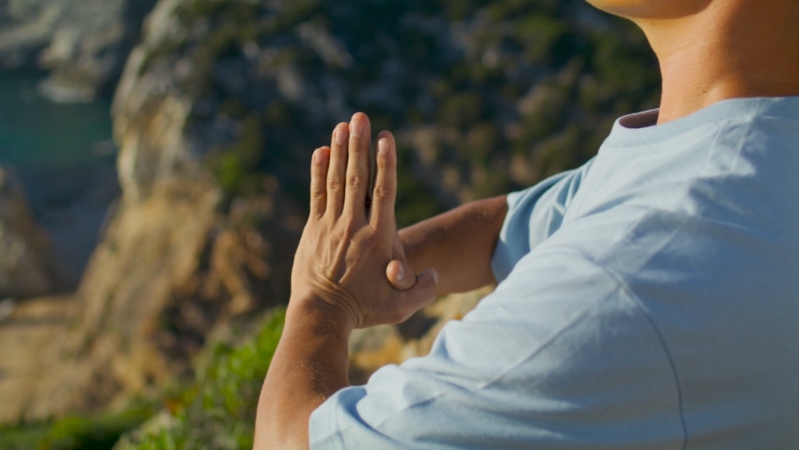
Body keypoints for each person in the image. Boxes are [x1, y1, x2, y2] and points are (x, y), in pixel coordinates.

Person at [254, 0, 799, 448]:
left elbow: (296, 440)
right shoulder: (744, 145)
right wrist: (380, 258)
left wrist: (322, 301)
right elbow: (513, 222)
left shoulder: (629, 279)